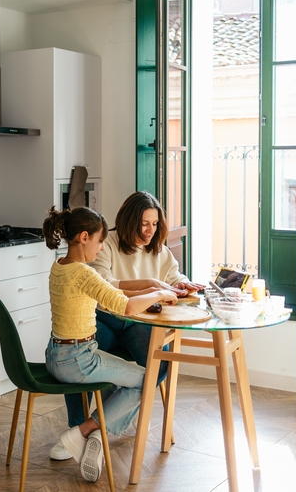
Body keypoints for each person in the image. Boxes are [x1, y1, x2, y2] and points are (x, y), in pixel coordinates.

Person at [50, 191, 205, 460]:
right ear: (129, 221)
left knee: (159, 366)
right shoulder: (103, 243)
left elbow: (173, 275)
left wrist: (180, 284)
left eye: (155, 224)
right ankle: (79, 429)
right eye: (145, 223)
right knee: (89, 366)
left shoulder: (159, 249)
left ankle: (98, 429)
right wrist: (152, 286)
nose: (150, 230)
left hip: (136, 324)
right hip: (106, 319)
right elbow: (106, 287)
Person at [41, 205, 178, 482]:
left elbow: (111, 292)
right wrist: (161, 293)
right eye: (99, 240)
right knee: (146, 378)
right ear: (83, 237)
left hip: (55, 355)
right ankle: (84, 432)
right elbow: (124, 306)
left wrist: (152, 289)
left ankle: (94, 434)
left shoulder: (60, 267)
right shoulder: (84, 274)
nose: (102, 248)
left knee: (125, 381)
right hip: (79, 360)